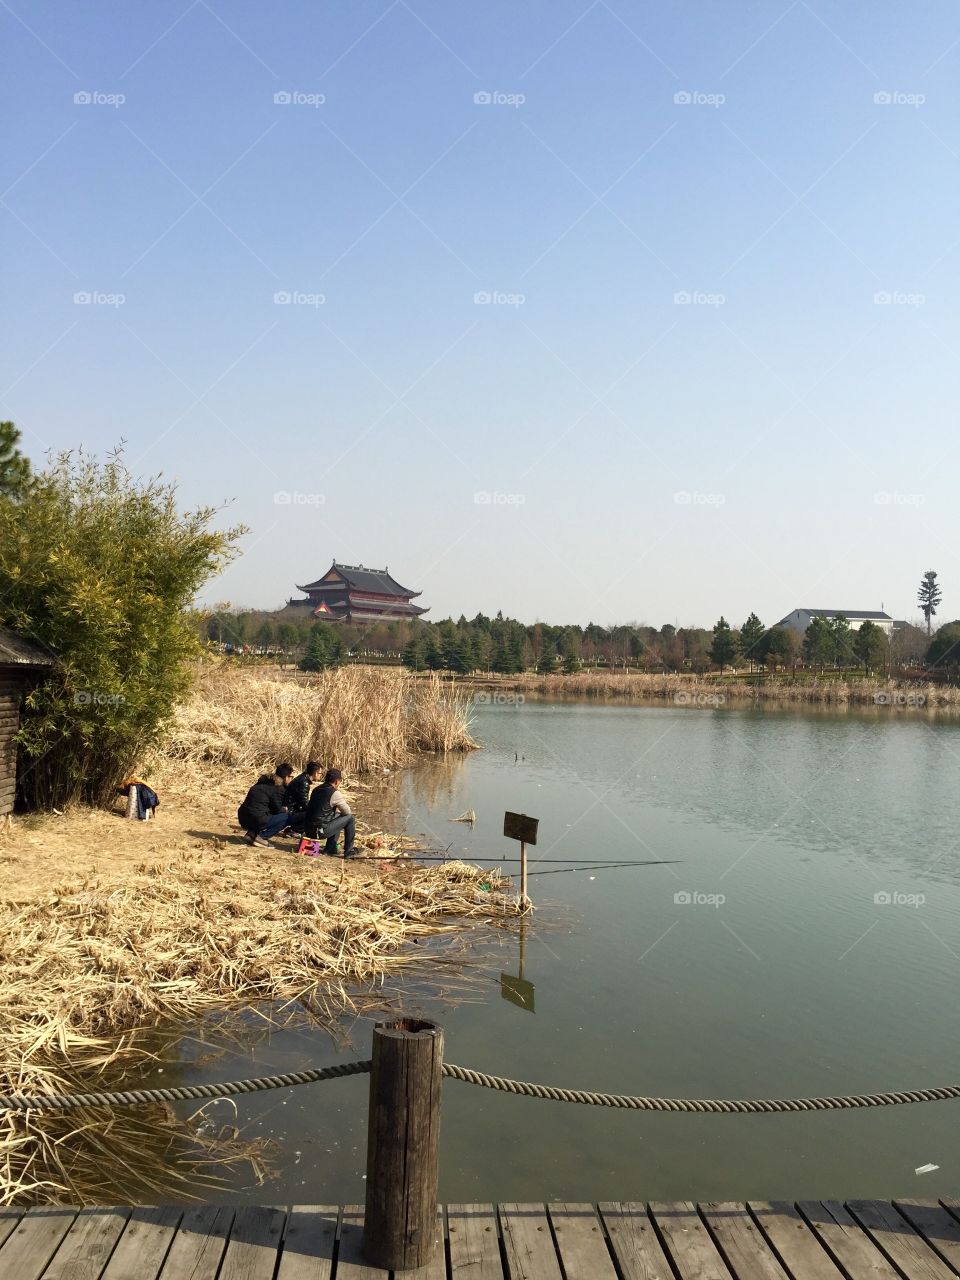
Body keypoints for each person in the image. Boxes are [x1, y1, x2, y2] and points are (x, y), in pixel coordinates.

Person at [304, 767, 357, 856]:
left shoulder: (316, 789)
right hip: (319, 831)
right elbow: (347, 812)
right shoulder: (334, 793)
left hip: (308, 829)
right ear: (337, 781)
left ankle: (330, 848)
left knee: (336, 815)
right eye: (340, 781)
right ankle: (349, 851)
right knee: (350, 818)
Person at [238, 771, 290, 847]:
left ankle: (251, 834)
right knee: (285, 817)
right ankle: (262, 837)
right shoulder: (272, 790)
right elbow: (277, 809)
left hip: (243, 818)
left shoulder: (255, 787)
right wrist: (285, 809)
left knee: (259, 813)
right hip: (257, 818)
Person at [284, 760, 323, 832]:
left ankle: (294, 829)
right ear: (315, 773)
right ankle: (295, 830)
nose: (321, 775)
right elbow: (305, 803)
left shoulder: (302, 778)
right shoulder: (304, 783)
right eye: (320, 773)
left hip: (292, 808)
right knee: (315, 814)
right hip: (291, 811)